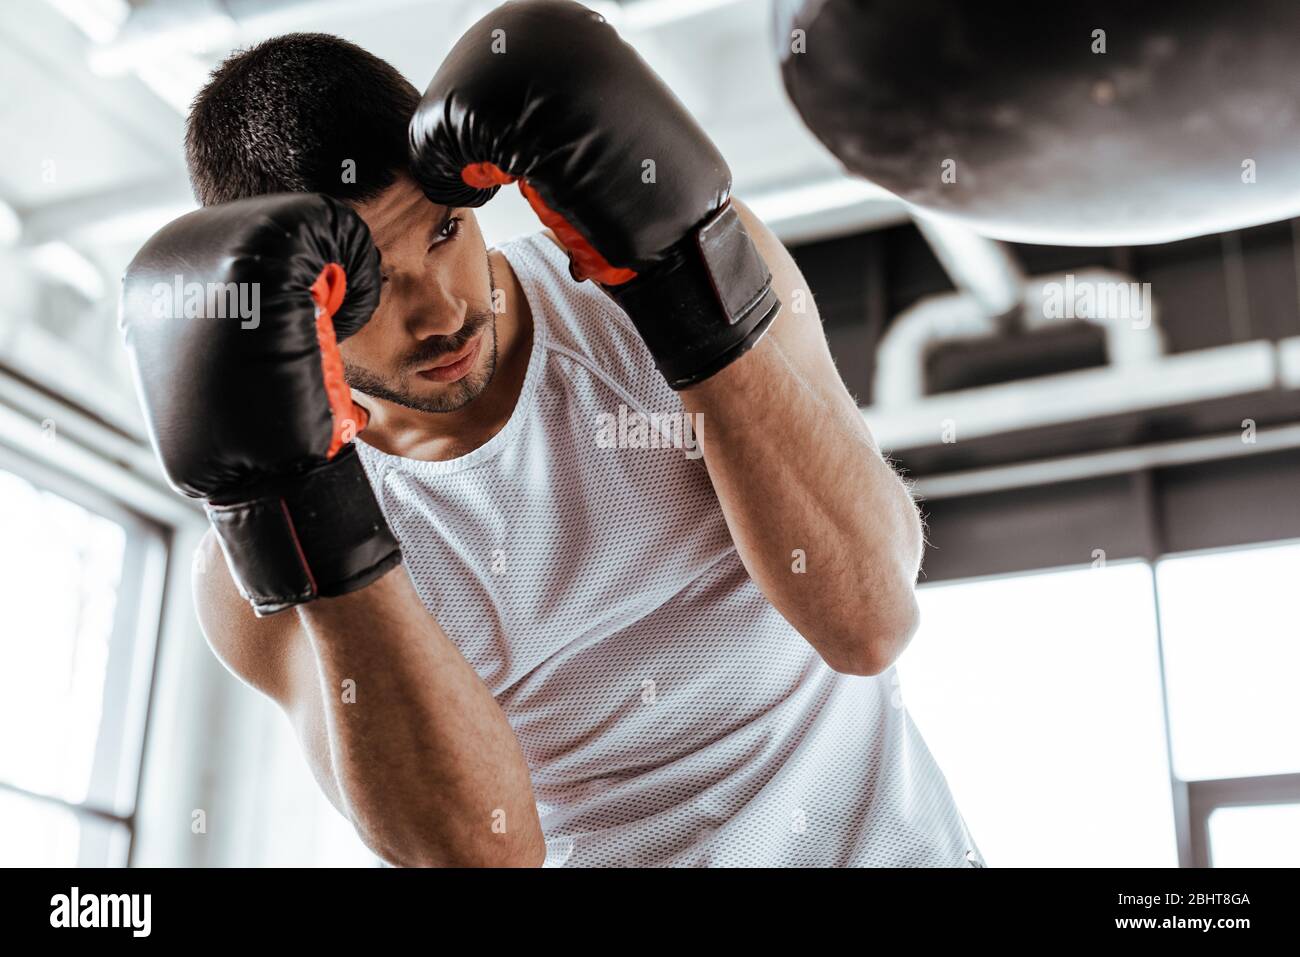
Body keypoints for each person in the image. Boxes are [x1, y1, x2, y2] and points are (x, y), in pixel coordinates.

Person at [145, 7, 981, 867]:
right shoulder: (254, 568)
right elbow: (477, 854)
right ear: (295, 310)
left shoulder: (631, 295)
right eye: (371, 289)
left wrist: (689, 304)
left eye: (443, 231)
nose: (441, 311)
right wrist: (315, 519)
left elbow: (871, 618)